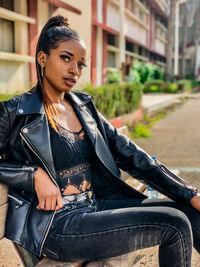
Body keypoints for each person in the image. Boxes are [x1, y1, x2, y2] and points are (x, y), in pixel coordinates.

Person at [0, 15, 200, 267]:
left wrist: (188, 193)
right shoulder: (14, 112)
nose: (75, 70)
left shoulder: (84, 107)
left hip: (97, 209)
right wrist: (33, 175)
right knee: (176, 225)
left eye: (81, 63)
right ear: (42, 58)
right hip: (58, 225)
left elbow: (133, 156)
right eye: (65, 58)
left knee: (190, 213)